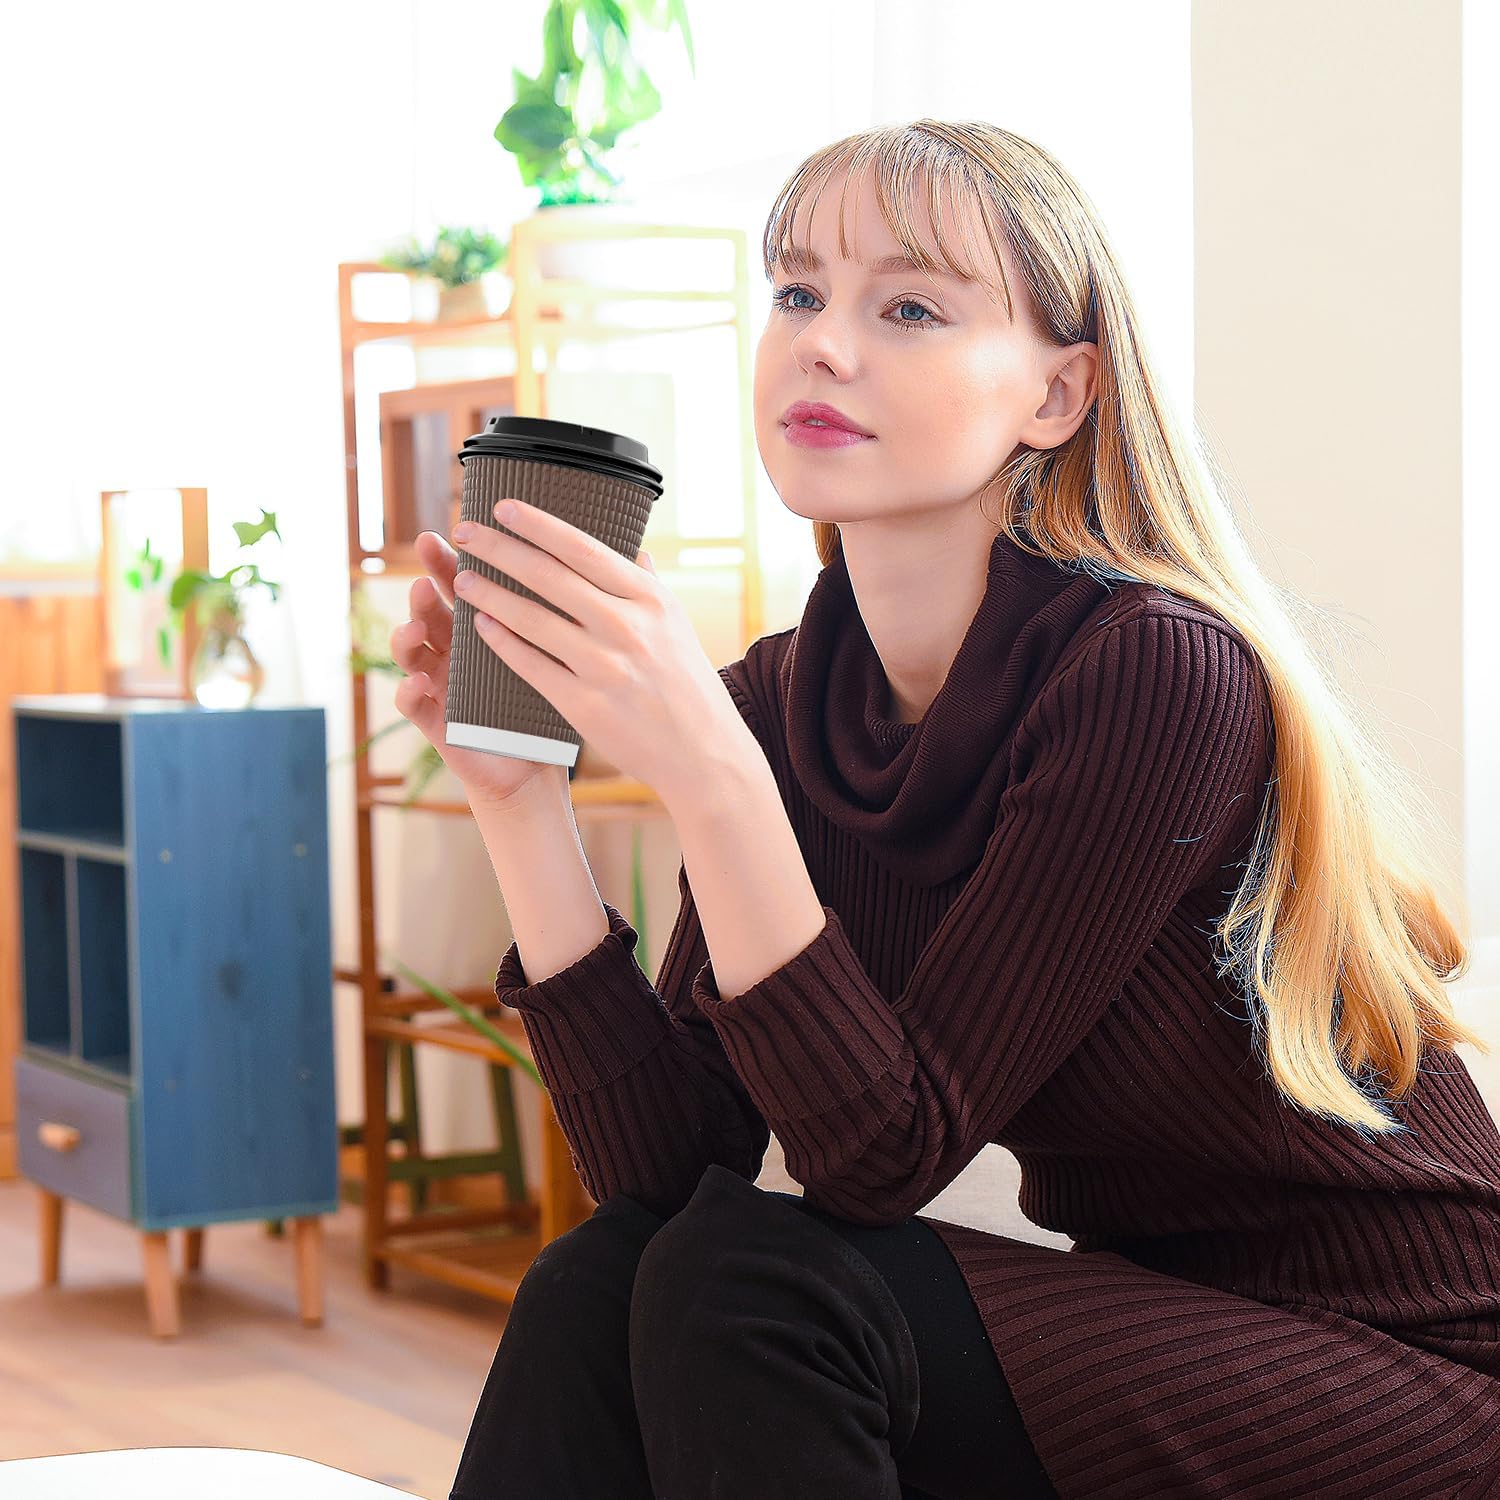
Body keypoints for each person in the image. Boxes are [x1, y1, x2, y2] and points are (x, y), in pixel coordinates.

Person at [391, 119, 1500, 1500]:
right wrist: (520, 808)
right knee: (600, 1279)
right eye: (799, 292)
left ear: (1059, 392)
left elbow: (885, 1159)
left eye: (909, 307)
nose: (823, 344)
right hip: (1158, 1328)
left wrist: (713, 779)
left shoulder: (1154, 672)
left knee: (768, 1288)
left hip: (1415, 1377)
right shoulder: (782, 704)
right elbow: (670, 1175)